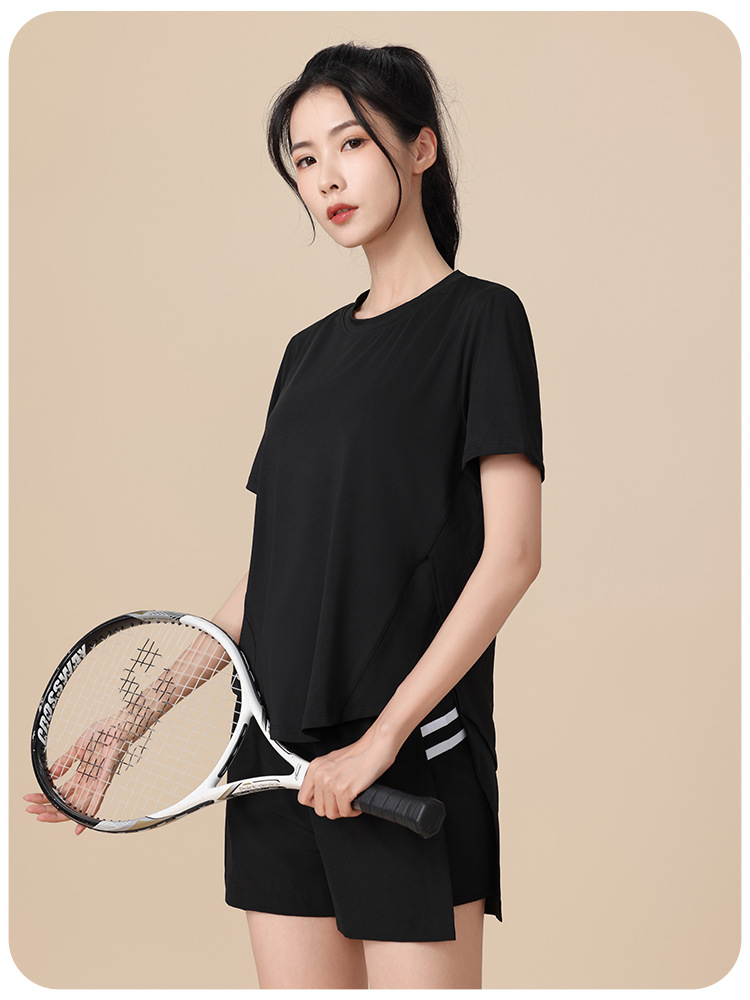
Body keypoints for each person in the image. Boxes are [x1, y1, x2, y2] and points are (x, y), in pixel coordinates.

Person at [25, 41, 545, 989]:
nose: (326, 178)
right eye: (304, 160)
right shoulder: (306, 354)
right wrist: (130, 722)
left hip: (405, 761)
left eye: (351, 143)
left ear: (420, 147)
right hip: (271, 757)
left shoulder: (483, 321)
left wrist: (380, 742)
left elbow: (511, 557)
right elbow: (273, 575)